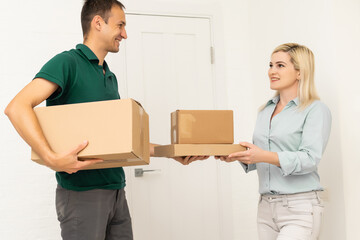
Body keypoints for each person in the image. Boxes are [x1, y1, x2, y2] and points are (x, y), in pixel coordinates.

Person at [4, 0, 206, 239]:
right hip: (82, 193)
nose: (125, 34)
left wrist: (169, 152)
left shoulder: (109, 76)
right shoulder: (67, 63)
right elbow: (17, 107)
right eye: (120, 25)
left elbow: (122, 141)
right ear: (98, 23)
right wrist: (51, 158)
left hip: (117, 190)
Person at [216, 43, 331, 240]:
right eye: (270, 65)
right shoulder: (265, 110)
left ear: (300, 73)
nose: (272, 71)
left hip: (299, 207)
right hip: (266, 207)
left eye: (280, 66)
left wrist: (262, 155)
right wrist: (237, 156)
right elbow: (263, 155)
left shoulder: (315, 110)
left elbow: (310, 158)